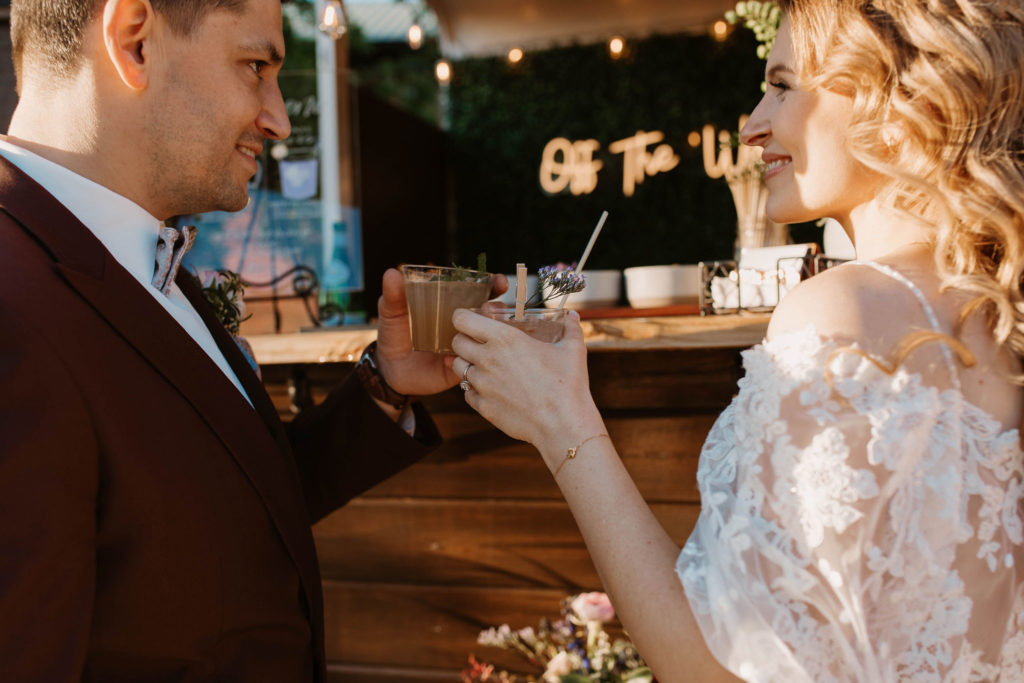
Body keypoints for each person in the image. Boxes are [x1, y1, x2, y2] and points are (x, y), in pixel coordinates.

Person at [450, 1, 1024, 680]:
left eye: (782, 86)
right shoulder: (1002, 312)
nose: (753, 125)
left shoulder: (842, 311)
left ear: (897, 107)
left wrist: (561, 421)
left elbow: (706, 668)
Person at [0, 0, 494, 679]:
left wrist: (384, 384)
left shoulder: (142, 257)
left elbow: (203, 512)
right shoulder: (13, 306)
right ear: (135, 39)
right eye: (256, 65)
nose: (280, 119)